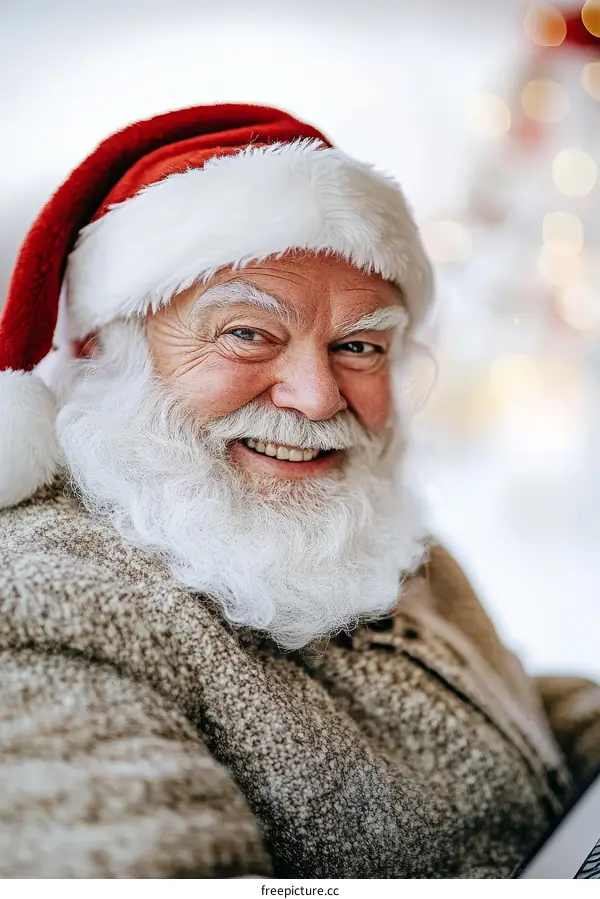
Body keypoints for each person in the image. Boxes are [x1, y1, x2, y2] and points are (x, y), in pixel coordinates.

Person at [0, 103, 598, 879]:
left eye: (358, 345)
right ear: (102, 350)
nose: (318, 399)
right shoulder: (45, 601)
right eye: (249, 332)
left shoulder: (355, 511)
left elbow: (511, 706)